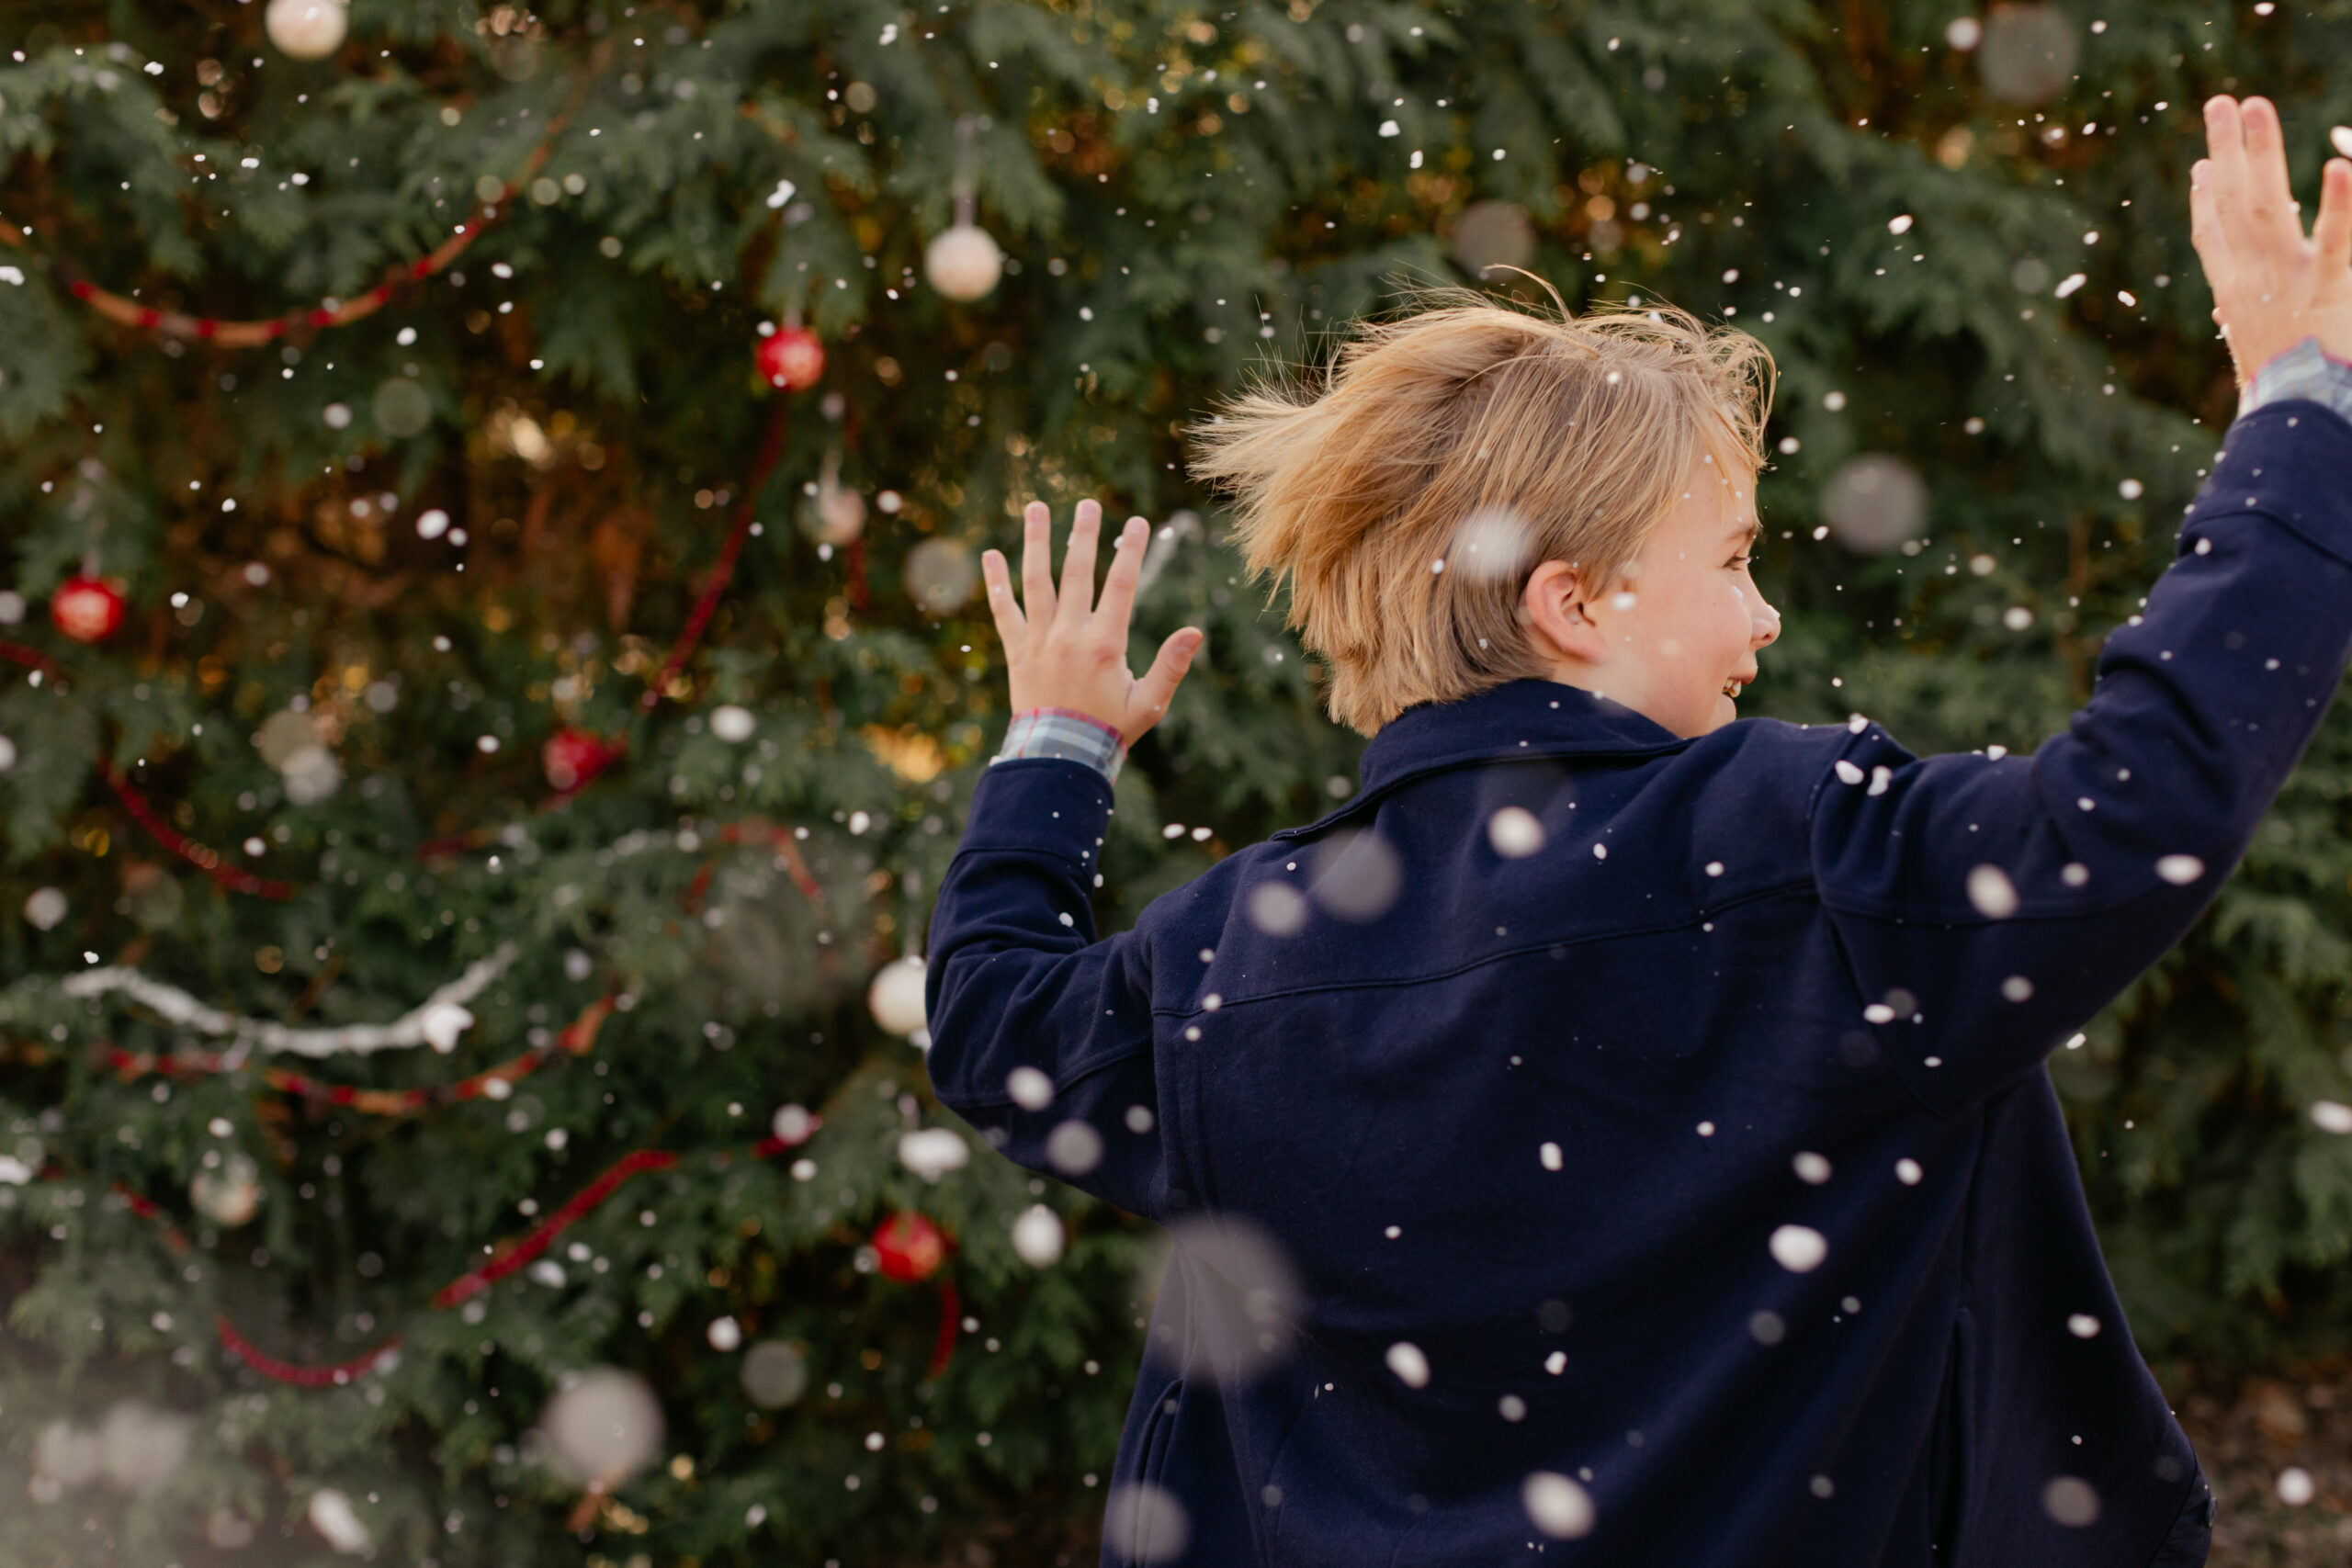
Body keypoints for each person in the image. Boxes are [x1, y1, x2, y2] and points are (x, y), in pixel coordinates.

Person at [921, 96, 2352, 1566]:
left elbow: (990, 1027)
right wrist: (2300, 418)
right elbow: (2142, 801)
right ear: (1575, 601)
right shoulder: (1801, 856)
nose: (1764, 615)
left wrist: (1059, 749)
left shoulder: (1234, 953)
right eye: (1731, 559)